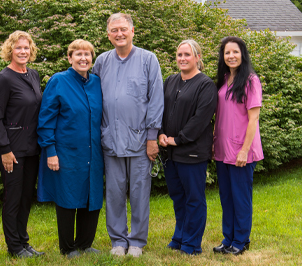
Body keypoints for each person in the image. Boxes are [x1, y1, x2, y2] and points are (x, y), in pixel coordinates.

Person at [92, 13, 164, 257]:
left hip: (140, 141)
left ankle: (136, 242)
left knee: (139, 193)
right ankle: (118, 241)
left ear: (133, 31)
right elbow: (93, 99)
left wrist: (152, 137)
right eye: (114, 30)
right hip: (110, 140)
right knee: (113, 194)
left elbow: (156, 99)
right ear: (108, 34)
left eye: (123, 29)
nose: (119, 34)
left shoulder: (148, 59)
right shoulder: (101, 61)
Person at [37, 39, 104, 259]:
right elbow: (46, 119)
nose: (83, 58)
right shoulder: (59, 81)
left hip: (93, 152)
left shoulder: (96, 82)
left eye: (87, 54)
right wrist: (50, 151)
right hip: (66, 152)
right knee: (67, 198)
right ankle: (68, 247)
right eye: (78, 54)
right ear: (70, 58)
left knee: (91, 197)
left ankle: (85, 243)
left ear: (92, 58)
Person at [158, 40, 217, 255]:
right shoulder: (171, 80)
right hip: (170, 153)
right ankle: (179, 237)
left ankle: (192, 243)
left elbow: (201, 119)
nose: (182, 58)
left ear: (197, 58)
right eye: (179, 54)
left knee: (194, 199)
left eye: (187, 55)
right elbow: (161, 110)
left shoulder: (205, 84)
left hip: (192, 153)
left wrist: (178, 139)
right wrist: (161, 133)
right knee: (178, 197)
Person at [0, 30, 44, 258]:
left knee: (25, 198)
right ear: (10, 50)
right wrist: (4, 150)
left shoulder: (33, 75)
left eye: (26, 48)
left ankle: (24, 242)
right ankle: (14, 247)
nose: (23, 51)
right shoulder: (4, 78)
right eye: (18, 47)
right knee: (13, 199)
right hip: (12, 150)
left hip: (32, 148)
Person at [213, 36, 264, 255]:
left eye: (235, 52)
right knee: (226, 197)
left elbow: (253, 119)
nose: (231, 56)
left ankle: (241, 241)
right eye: (227, 52)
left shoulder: (251, 80)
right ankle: (228, 238)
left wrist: (244, 150)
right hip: (222, 150)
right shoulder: (224, 79)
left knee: (240, 197)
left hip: (242, 151)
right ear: (223, 57)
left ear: (242, 54)